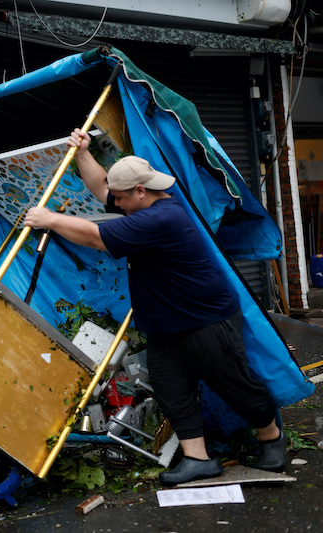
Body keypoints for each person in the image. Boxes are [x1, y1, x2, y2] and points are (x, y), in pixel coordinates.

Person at [23, 129, 286, 486]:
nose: (114, 203)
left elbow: (95, 237)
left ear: (140, 191)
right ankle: (198, 459)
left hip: (205, 320)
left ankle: (271, 437)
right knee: (172, 391)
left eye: (121, 198)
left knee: (237, 386)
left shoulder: (161, 218)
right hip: (165, 326)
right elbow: (104, 189)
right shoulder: (143, 204)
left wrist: (49, 219)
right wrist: (83, 152)